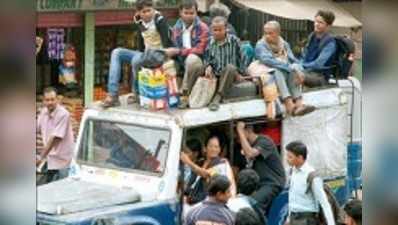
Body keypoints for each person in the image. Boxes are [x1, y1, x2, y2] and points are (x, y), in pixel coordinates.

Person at [102, 0, 175, 108]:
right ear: (138, 12)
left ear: (153, 9)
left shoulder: (160, 20)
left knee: (136, 61)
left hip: (159, 54)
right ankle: (113, 95)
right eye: (143, 12)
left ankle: (136, 93)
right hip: (145, 54)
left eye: (149, 10)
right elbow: (141, 40)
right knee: (117, 52)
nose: (147, 14)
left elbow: (167, 43)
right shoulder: (138, 20)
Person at [255, 21, 315, 116]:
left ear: (278, 33)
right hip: (266, 68)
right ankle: (289, 103)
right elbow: (269, 61)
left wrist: (298, 69)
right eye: (265, 33)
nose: (267, 36)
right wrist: (291, 68)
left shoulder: (284, 44)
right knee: (278, 70)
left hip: (284, 68)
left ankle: (299, 104)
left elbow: (292, 59)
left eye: (270, 33)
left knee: (293, 70)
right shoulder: (260, 45)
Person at [236, 121, 286, 212]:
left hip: (272, 184)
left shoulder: (264, 141)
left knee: (252, 204)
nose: (238, 139)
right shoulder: (248, 147)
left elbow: (250, 153)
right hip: (259, 186)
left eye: (239, 135)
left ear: (248, 130)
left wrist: (240, 131)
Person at [169, 0, 210, 108]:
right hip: (181, 60)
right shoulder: (176, 28)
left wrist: (179, 51)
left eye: (191, 13)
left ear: (196, 13)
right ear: (180, 13)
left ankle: (185, 94)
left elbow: (200, 50)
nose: (188, 16)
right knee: (167, 63)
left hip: (199, 62)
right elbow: (174, 46)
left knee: (191, 59)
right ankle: (169, 94)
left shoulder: (203, 28)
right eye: (186, 13)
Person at [285, 141, 335, 225]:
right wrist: (289, 219)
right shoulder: (292, 172)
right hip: (294, 219)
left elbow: (324, 203)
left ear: (300, 158)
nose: (287, 159)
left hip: (307, 220)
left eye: (290, 157)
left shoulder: (312, 176)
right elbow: (292, 198)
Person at [204, 16, 246, 111]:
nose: (217, 32)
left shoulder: (234, 40)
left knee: (230, 67)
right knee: (198, 66)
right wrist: (208, 66)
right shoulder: (209, 42)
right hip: (215, 74)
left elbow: (242, 57)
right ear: (211, 30)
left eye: (220, 30)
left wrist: (240, 72)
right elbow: (207, 58)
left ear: (226, 29)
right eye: (215, 30)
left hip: (231, 73)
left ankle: (218, 97)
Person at [181, 135, 237, 204]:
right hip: (192, 201)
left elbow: (205, 174)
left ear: (219, 149)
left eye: (216, 147)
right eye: (211, 146)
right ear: (205, 148)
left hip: (209, 204)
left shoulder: (221, 163)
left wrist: (188, 161)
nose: (213, 149)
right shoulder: (200, 162)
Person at [36, 87, 74, 184]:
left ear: (57, 99)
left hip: (62, 161)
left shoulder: (63, 114)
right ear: (43, 101)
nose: (50, 102)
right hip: (50, 158)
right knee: (45, 187)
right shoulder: (43, 112)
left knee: (60, 189)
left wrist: (40, 158)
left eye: (52, 99)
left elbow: (54, 139)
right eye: (47, 100)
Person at [294, 10, 337, 87]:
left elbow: (318, 64)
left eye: (320, 23)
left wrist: (302, 66)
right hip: (306, 71)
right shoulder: (311, 37)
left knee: (294, 76)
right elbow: (304, 55)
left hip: (319, 76)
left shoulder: (330, 43)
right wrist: (298, 64)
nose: (316, 24)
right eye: (316, 21)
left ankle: (294, 98)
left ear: (328, 26)